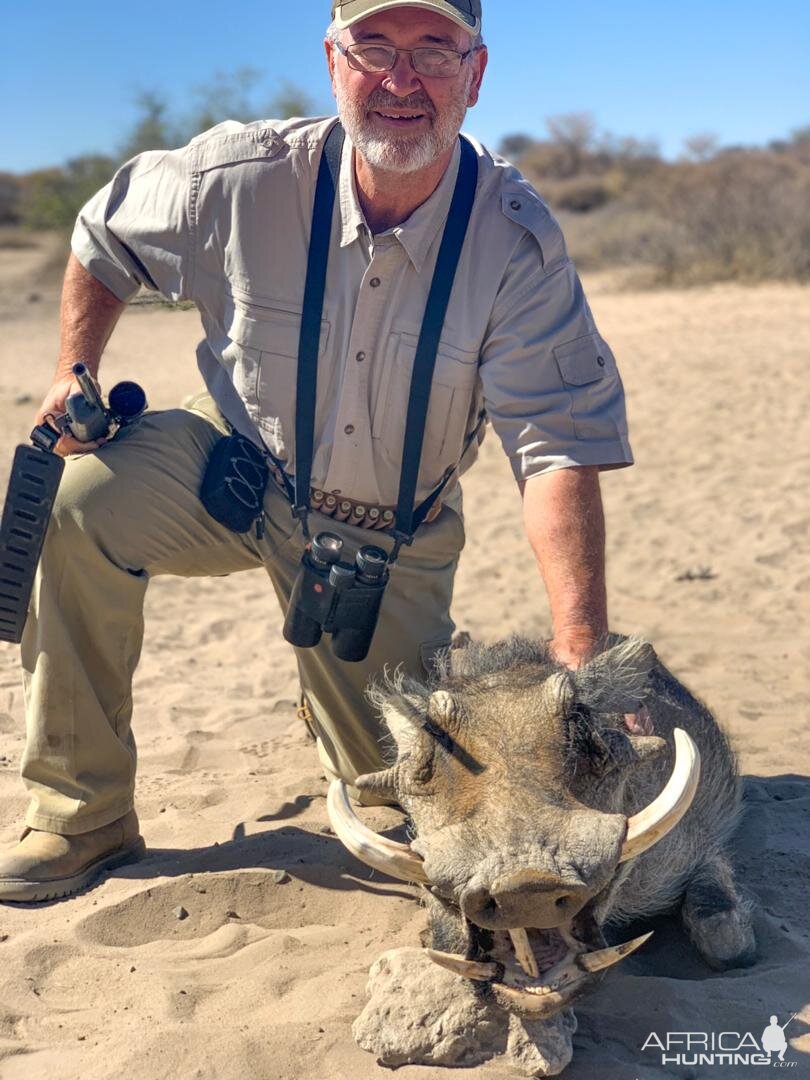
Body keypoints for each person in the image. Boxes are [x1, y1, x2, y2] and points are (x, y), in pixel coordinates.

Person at [0, 0, 644, 903]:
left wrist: (581, 646)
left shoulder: (517, 242)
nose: (400, 79)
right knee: (79, 502)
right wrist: (76, 367)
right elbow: (103, 242)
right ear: (333, 61)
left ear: (477, 73)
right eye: (374, 47)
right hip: (229, 469)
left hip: (388, 531)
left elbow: (556, 451)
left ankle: (341, 715)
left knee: (403, 818)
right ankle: (81, 814)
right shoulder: (239, 175)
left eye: (433, 51)